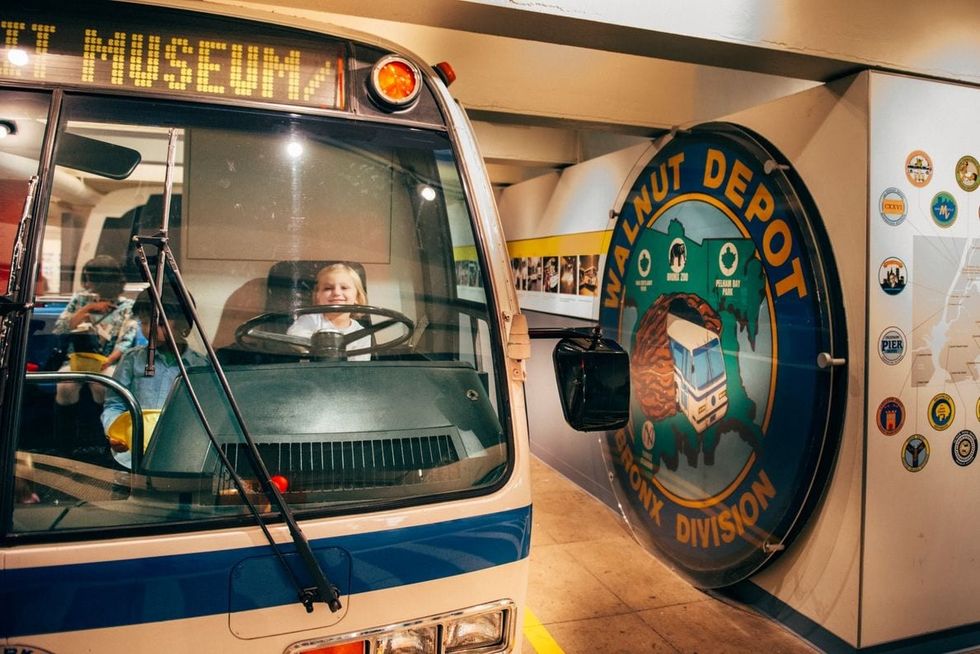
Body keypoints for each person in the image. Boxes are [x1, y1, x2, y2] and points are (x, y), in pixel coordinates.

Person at [101, 285, 208, 468]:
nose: (148, 328)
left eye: (158, 323)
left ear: (183, 323)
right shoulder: (131, 360)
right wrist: (114, 432)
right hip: (132, 455)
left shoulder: (200, 366)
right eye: (143, 322)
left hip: (179, 453)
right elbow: (114, 404)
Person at [53, 255, 138, 405]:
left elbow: (126, 340)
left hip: (108, 361)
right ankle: (67, 426)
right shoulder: (80, 300)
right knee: (65, 387)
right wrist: (87, 309)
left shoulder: (127, 307)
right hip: (77, 360)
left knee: (103, 386)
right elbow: (61, 328)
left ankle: (100, 425)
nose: (87, 284)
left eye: (90, 279)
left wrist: (107, 361)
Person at [286, 263, 371, 361]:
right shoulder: (311, 320)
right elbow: (295, 337)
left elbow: (359, 368)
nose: (337, 293)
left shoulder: (361, 333)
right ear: (318, 297)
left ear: (357, 297)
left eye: (344, 288)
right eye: (328, 288)